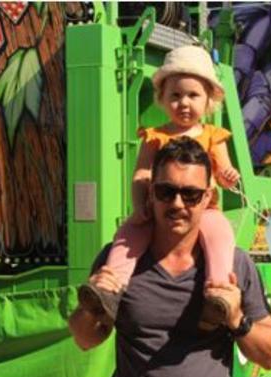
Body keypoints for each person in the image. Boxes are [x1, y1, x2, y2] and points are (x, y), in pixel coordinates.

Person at [67, 137, 271, 377]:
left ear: (207, 198)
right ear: (151, 192)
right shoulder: (120, 259)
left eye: (191, 194)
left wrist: (237, 320)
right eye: (166, 191)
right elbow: (85, 338)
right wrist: (89, 308)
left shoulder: (234, 266)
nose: (178, 204)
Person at [78, 44, 242, 331]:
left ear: (208, 102)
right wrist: (140, 204)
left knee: (220, 235)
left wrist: (228, 176)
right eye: (175, 95)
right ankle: (110, 289)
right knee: (128, 235)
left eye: (193, 95)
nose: (184, 103)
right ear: (162, 100)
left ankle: (216, 294)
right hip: (159, 207)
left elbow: (223, 172)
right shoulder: (155, 136)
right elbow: (142, 172)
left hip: (204, 209)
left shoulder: (214, 136)